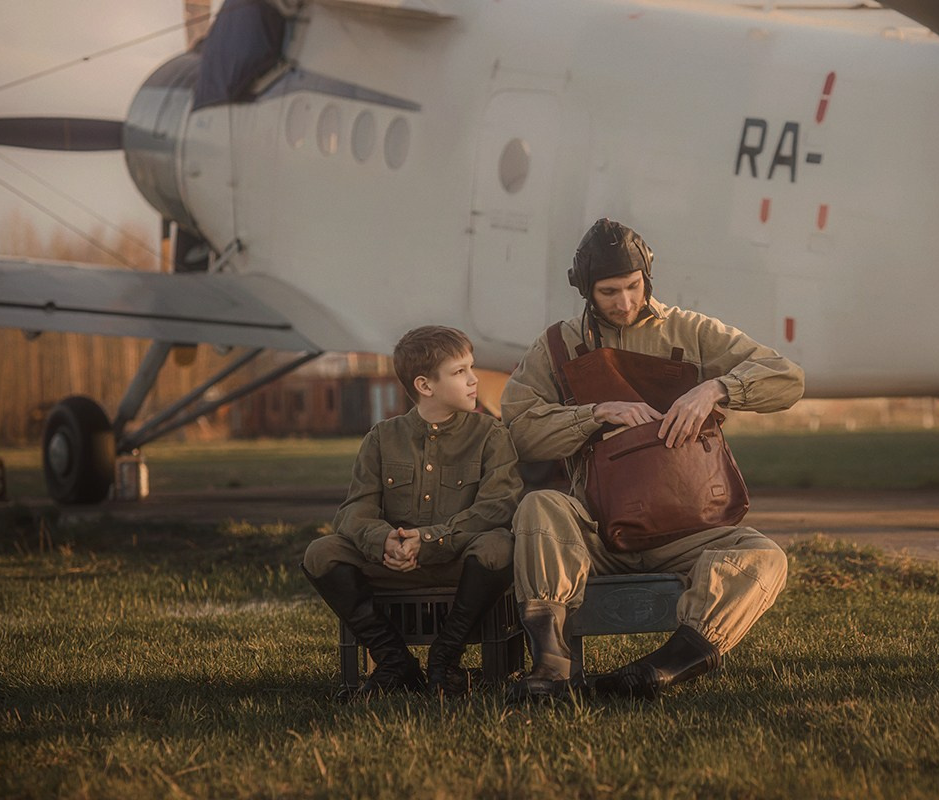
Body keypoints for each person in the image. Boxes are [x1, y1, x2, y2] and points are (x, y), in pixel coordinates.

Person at [501, 218, 805, 701]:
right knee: (540, 507)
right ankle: (551, 667)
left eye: (632, 286)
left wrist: (716, 388)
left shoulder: (692, 330)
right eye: (608, 292)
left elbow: (786, 377)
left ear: (647, 277)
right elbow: (518, 428)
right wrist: (594, 414)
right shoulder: (557, 347)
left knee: (764, 556)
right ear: (585, 290)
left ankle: (659, 671)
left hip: (687, 529)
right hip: (596, 530)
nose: (624, 302)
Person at [302, 326, 522, 698]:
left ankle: (446, 658)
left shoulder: (491, 435)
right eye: (459, 372)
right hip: (393, 564)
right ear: (425, 385)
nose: (473, 380)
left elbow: (497, 508)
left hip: (460, 561)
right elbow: (355, 509)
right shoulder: (382, 437)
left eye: (472, 368)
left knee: (499, 547)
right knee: (321, 553)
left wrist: (431, 540)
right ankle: (394, 662)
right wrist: (382, 539)